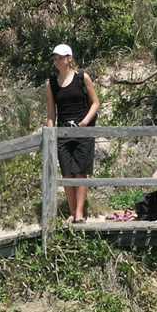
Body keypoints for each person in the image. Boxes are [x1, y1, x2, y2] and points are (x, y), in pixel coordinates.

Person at [46, 43, 100, 224]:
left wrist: (85, 122)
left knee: (80, 172)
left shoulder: (82, 77)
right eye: (55, 57)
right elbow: (51, 113)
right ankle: (71, 211)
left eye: (60, 57)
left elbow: (95, 103)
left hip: (82, 130)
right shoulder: (51, 83)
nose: (57, 61)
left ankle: (79, 213)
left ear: (69, 58)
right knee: (67, 173)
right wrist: (51, 133)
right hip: (63, 132)